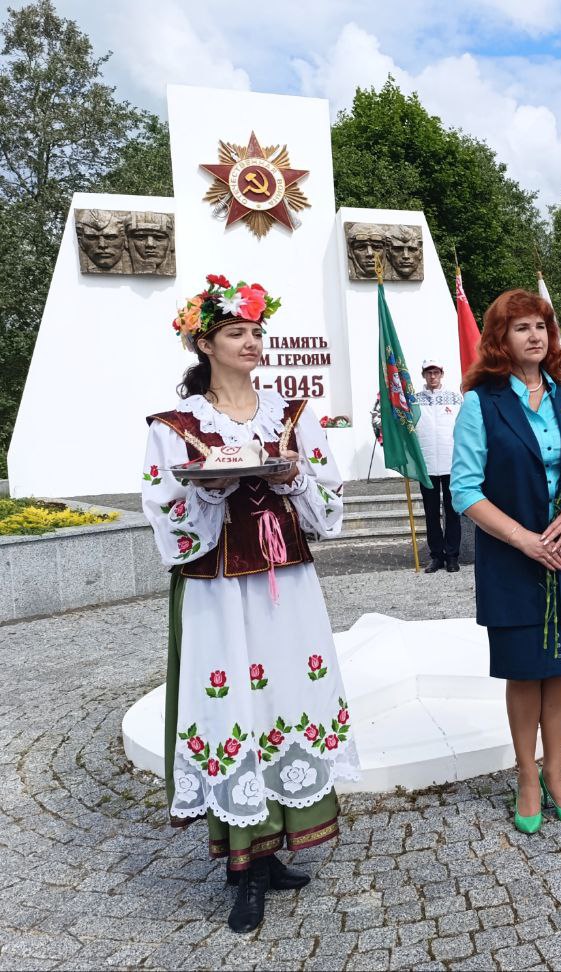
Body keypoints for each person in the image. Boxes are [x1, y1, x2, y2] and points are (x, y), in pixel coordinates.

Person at [144, 274, 359, 932]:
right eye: (237, 332)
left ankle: (274, 853)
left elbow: (329, 506)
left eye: (257, 331)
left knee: (285, 701)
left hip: (285, 587)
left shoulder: (293, 414)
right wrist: (212, 489)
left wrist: (294, 478)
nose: (252, 341)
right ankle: (243, 867)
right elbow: (166, 514)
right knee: (232, 705)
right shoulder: (175, 426)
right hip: (220, 590)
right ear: (203, 341)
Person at [451, 289, 561, 834]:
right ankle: (525, 775)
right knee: (524, 670)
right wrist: (524, 539)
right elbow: (465, 491)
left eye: (541, 326)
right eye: (521, 328)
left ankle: (557, 772)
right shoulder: (481, 404)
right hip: (514, 559)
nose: (535, 336)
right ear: (499, 339)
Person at [414, 359, 463, 572]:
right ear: (423, 375)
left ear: (442, 374)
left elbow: (463, 427)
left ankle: (452, 555)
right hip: (427, 464)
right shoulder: (414, 401)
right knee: (431, 512)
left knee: (453, 511)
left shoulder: (455, 398)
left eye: (435, 372)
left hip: (452, 462)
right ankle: (436, 555)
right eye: (428, 373)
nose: (432, 376)